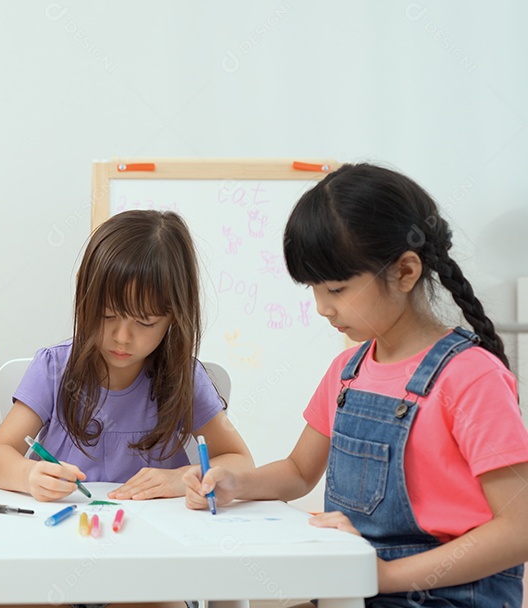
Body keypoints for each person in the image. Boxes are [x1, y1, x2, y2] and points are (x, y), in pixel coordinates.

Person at [184, 164, 528, 607]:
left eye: (338, 289)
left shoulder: (470, 378)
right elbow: (298, 472)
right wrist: (235, 483)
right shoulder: (348, 370)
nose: (323, 307)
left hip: (445, 594)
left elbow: (519, 529)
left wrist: (381, 576)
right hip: (358, 585)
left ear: (405, 272)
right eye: (314, 289)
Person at [0, 209, 254, 503]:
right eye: (107, 314)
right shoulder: (54, 368)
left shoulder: (182, 377)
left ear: (175, 314)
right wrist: (27, 475)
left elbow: (239, 459)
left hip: (155, 536)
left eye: (145, 322)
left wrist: (179, 479)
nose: (122, 337)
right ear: (83, 290)